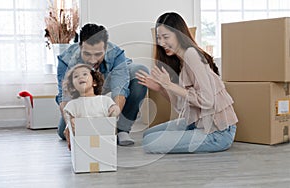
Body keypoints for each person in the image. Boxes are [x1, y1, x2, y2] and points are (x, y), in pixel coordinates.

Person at [136, 12, 238, 153]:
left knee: (150, 142)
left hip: (217, 133)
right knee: (147, 135)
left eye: (166, 37)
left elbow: (207, 100)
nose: (161, 43)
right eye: (158, 38)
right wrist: (161, 88)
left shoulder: (192, 54)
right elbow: (181, 106)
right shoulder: (181, 61)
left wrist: (169, 85)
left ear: (179, 34)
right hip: (198, 123)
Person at [56, 23, 148, 146]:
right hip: (83, 90)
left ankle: (122, 130)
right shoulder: (65, 60)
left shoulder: (116, 54)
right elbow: (65, 96)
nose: (93, 60)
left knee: (140, 71)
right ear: (80, 46)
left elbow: (119, 89)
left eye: (98, 54)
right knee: (64, 132)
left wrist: (112, 120)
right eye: (87, 54)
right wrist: (69, 123)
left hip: (107, 80)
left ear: (105, 48)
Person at [62, 64, 120, 150]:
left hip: (103, 137)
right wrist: (70, 123)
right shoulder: (72, 104)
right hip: (83, 141)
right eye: (76, 76)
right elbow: (68, 118)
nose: (80, 77)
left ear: (94, 82)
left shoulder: (105, 100)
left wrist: (115, 110)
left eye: (85, 74)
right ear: (73, 86)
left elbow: (115, 110)